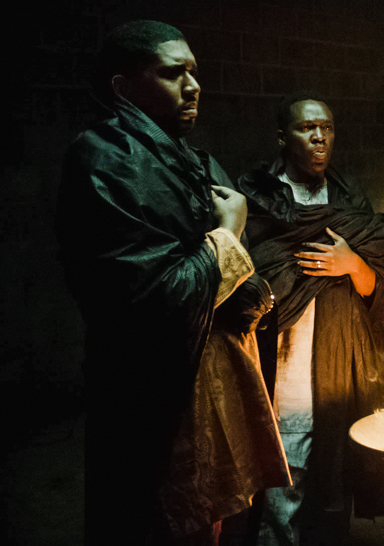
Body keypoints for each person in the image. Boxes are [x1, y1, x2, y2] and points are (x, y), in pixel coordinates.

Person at [56, 20, 289, 545]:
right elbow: (154, 301)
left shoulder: (193, 161)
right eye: (172, 73)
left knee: (216, 519)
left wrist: (246, 283)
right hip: (160, 400)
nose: (193, 86)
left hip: (218, 384)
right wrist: (226, 236)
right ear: (124, 87)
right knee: (164, 522)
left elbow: (248, 288)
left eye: (195, 72)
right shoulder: (103, 160)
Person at [237, 91, 384, 546]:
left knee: (334, 465)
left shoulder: (348, 194)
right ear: (283, 137)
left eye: (327, 128)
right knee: (287, 467)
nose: (320, 137)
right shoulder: (257, 196)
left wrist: (351, 264)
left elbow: (383, 283)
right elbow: (246, 276)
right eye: (307, 128)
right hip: (287, 357)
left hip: (339, 356)